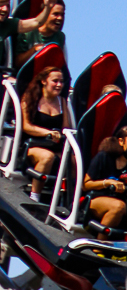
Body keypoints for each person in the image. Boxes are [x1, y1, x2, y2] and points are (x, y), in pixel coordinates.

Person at [83, 126, 127, 240]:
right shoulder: (104, 156)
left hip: (124, 201)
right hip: (96, 199)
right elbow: (86, 185)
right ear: (121, 141)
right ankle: (99, 246)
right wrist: (107, 182)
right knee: (118, 206)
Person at [21, 66, 70, 202]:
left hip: (54, 145)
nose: (59, 84)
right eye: (55, 81)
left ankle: (69, 200)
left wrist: (61, 135)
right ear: (43, 81)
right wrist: (47, 133)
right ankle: (35, 197)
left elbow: (66, 127)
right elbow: (26, 126)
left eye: (61, 81)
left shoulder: (62, 102)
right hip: (32, 145)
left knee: (74, 161)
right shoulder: (30, 98)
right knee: (47, 157)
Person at [0, 0, 58, 67]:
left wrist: (47, 8)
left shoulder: (7, 24)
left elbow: (36, 22)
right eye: (1, 5)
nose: (5, 9)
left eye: (7, 5)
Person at [15, 0, 66, 69]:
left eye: (62, 15)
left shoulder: (60, 37)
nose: (60, 18)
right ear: (45, 14)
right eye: (56, 14)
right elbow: (17, 62)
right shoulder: (28, 32)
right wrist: (34, 50)